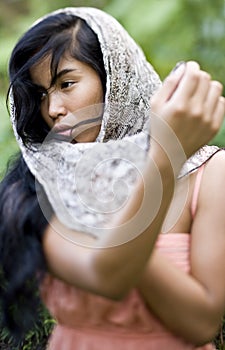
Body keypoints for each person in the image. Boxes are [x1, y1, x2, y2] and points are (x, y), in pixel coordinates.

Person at [0, 6, 225, 350]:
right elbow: (106, 275)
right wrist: (163, 158)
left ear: (117, 78)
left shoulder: (210, 173)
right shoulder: (37, 186)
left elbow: (201, 323)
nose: (52, 109)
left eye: (66, 83)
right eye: (41, 94)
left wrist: (156, 163)